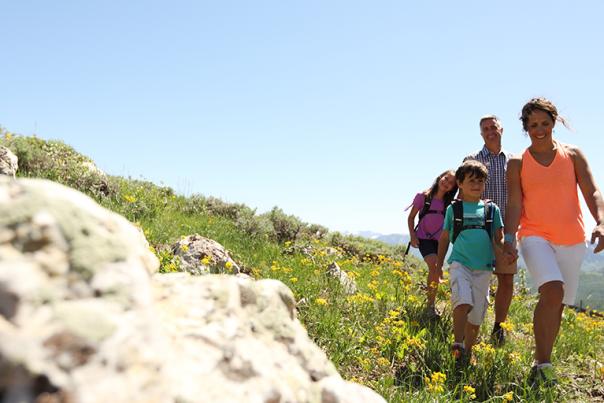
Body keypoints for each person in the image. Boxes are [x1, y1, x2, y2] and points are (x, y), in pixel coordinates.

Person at [504, 97, 604, 386]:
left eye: (544, 123)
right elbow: (513, 204)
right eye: (533, 125)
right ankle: (544, 364)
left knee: (557, 303)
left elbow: (593, 191)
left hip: (572, 239)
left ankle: (542, 361)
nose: (539, 130)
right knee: (552, 291)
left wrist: (600, 221)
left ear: (554, 122)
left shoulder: (572, 155)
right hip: (534, 235)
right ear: (525, 127)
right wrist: (509, 239)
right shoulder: (517, 162)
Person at [436, 160, 504, 364]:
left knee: (475, 317)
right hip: (460, 263)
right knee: (463, 301)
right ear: (460, 183)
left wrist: (506, 250)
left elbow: (498, 238)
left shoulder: (492, 210)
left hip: (483, 269)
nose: (477, 185)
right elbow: (445, 238)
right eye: (472, 180)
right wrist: (438, 265)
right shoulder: (453, 210)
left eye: (481, 181)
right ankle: (457, 343)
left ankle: (468, 350)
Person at [463, 115, 516, 345]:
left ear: (501, 129)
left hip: (506, 229)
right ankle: (470, 326)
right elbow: (461, 192)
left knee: (506, 279)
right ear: (481, 133)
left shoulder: (514, 161)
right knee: (477, 278)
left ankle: (498, 327)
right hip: (478, 229)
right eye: (485, 128)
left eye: (493, 127)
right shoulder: (472, 159)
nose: (490, 131)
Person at [407, 170, 458, 317]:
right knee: (435, 266)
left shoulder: (449, 203)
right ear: (440, 177)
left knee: (435, 269)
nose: (446, 183)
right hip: (423, 238)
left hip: (441, 241)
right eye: (445, 178)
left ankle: (431, 301)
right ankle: (430, 306)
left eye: (450, 183)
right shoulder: (423, 197)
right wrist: (412, 236)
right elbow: (411, 218)